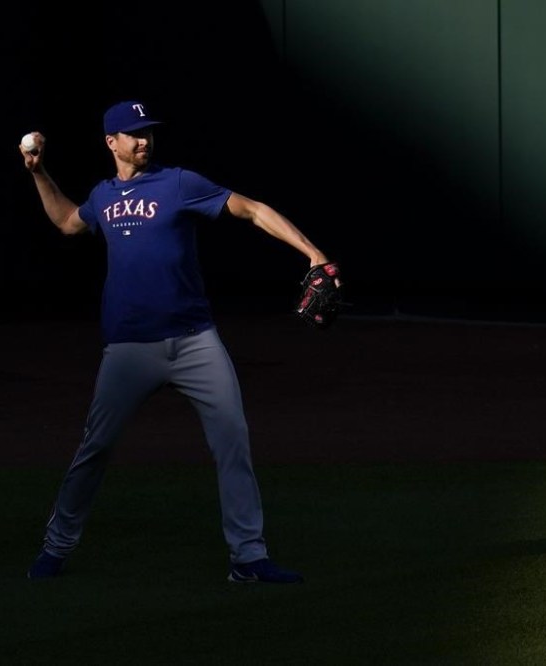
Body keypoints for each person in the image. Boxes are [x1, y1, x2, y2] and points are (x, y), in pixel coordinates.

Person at [19, 100, 336, 583]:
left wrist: (313, 253)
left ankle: (249, 559)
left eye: (147, 131)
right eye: (133, 133)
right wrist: (39, 172)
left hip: (195, 342)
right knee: (95, 447)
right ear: (112, 142)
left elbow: (251, 210)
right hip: (128, 347)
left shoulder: (180, 183)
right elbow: (67, 222)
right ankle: (55, 549)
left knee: (233, 441)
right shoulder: (103, 197)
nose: (144, 139)